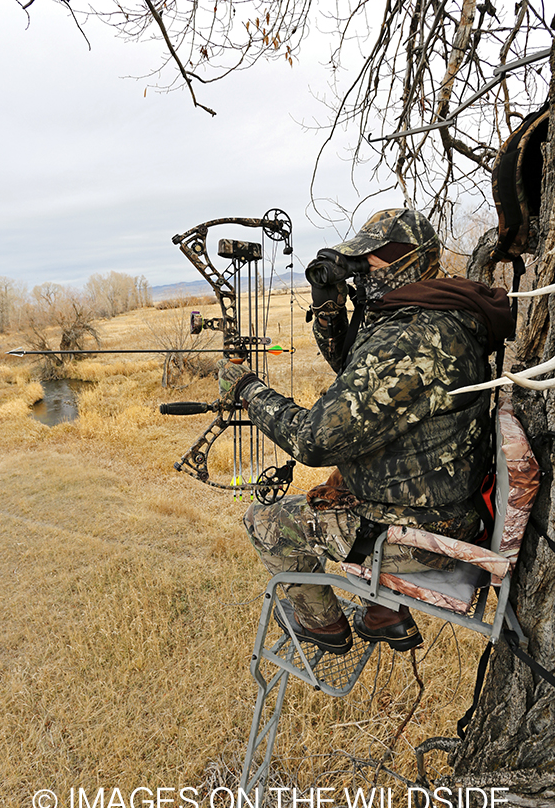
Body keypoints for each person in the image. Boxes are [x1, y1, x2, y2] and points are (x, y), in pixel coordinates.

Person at [217, 209, 514, 655]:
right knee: (336, 491)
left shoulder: (413, 338)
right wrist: (328, 307)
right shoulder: (439, 307)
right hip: (439, 499)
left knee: (265, 521)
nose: (361, 276)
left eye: (368, 265)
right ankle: (384, 613)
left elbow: (313, 440)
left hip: (422, 529)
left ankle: (323, 626)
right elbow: (356, 367)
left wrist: (247, 389)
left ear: (404, 262)